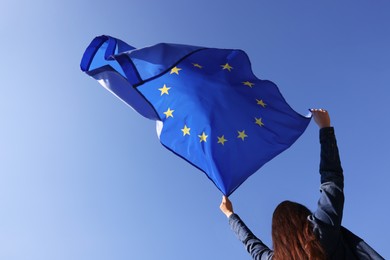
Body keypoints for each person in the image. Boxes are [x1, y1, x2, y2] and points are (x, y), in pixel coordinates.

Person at [220, 109, 384, 260]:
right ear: (305, 219)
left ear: (277, 235)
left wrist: (230, 215)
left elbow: (252, 245)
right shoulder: (322, 231)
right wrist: (325, 128)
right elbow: (332, 180)